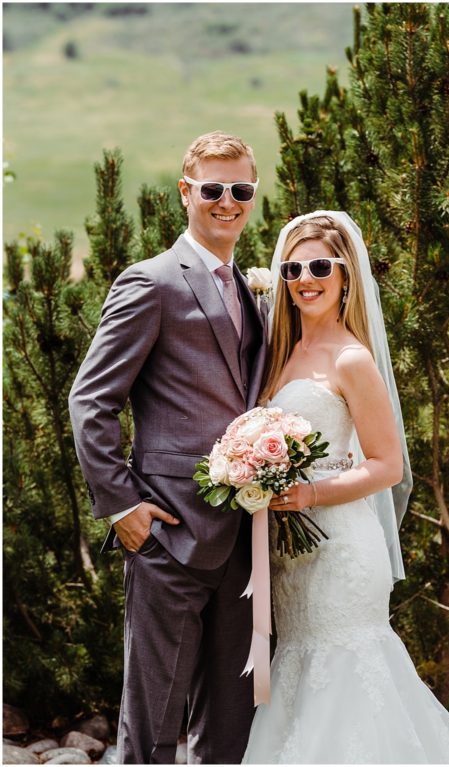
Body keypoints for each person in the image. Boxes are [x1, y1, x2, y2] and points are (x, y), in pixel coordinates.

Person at [241, 211, 449, 764]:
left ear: (346, 275)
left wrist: (310, 495)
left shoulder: (352, 359)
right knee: (300, 667)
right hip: (289, 552)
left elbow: (388, 465)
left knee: (347, 668)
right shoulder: (278, 352)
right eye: (293, 269)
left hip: (342, 549)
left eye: (320, 266)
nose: (306, 278)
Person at [68, 131, 267, 763]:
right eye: (213, 190)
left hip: (248, 542)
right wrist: (122, 507)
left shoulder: (255, 292)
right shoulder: (150, 282)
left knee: (231, 730)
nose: (227, 202)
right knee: (152, 725)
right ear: (186, 193)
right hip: (169, 535)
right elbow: (90, 399)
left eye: (241, 190)